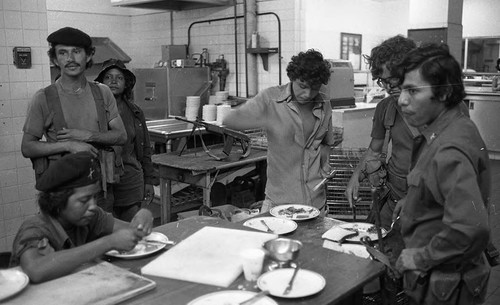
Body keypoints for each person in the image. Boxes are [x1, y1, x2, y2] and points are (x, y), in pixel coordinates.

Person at [21, 27, 153, 232]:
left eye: (77, 51)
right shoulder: (44, 98)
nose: (70, 58)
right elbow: (27, 147)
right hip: (62, 194)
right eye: (62, 53)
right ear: (55, 60)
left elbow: (121, 136)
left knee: (102, 241)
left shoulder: (103, 92)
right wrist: (70, 144)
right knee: (67, 245)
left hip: (99, 187)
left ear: (89, 55)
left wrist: (87, 135)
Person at [393, 44, 491, 304]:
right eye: (402, 89)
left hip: (443, 286)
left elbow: (470, 228)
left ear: (445, 92)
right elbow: (441, 186)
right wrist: (416, 199)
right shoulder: (453, 126)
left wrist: (420, 257)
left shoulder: (449, 148)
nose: (402, 100)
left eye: (413, 91)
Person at [223, 49, 342, 212]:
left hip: (316, 203)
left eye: (314, 88)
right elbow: (229, 120)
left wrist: (325, 164)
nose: (308, 94)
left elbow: (324, 144)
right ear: (292, 77)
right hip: (280, 203)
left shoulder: (324, 103)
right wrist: (270, 122)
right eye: (303, 86)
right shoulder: (270, 98)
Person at [10, 152, 146, 283]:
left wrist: (143, 217)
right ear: (58, 201)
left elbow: (132, 231)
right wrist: (108, 242)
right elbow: (36, 270)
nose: (93, 205)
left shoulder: (91, 216)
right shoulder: (34, 228)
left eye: (95, 197)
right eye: (84, 200)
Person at [345, 35, 417, 230]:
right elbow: (374, 151)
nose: (387, 88)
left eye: (392, 81)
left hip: (431, 202)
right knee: (380, 248)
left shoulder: (443, 107)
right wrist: (356, 176)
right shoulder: (386, 107)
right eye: (382, 82)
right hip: (394, 195)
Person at [94, 59, 159, 221]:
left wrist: (149, 180)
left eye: (119, 78)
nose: (113, 81)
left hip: (130, 178)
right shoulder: (93, 111)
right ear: (101, 82)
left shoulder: (135, 112)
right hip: (103, 180)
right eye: (108, 77)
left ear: (126, 84)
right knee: (105, 227)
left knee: (131, 230)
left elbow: (145, 150)